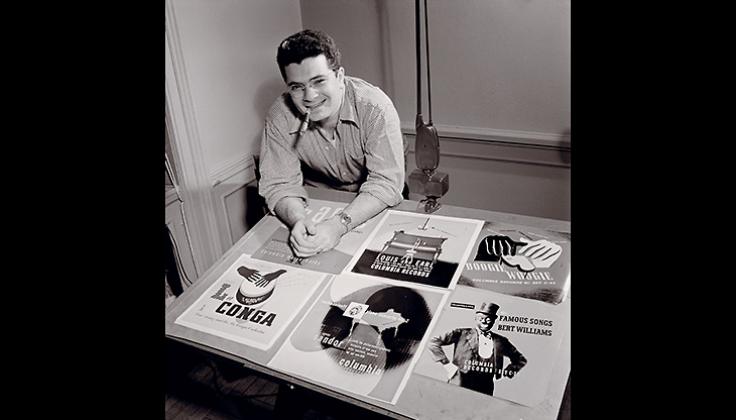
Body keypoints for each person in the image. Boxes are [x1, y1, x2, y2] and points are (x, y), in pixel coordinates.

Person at [258, 29, 407, 259]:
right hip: (319, 206)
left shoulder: (375, 107)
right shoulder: (279, 115)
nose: (309, 96)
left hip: (376, 202)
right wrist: (298, 220)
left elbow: (386, 183)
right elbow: (279, 185)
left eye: (318, 81)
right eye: (297, 87)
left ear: (339, 77)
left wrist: (338, 225)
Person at [427, 301, 527, 396]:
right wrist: (447, 365)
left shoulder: (501, 341)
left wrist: (510, 370)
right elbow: (433, 342)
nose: (486, 322)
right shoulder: (460, 333)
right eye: (482, 318)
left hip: (486, 385)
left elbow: (520, 359)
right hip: (461, 380)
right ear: (476, 318)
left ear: (494, 321)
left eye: (489, 319)